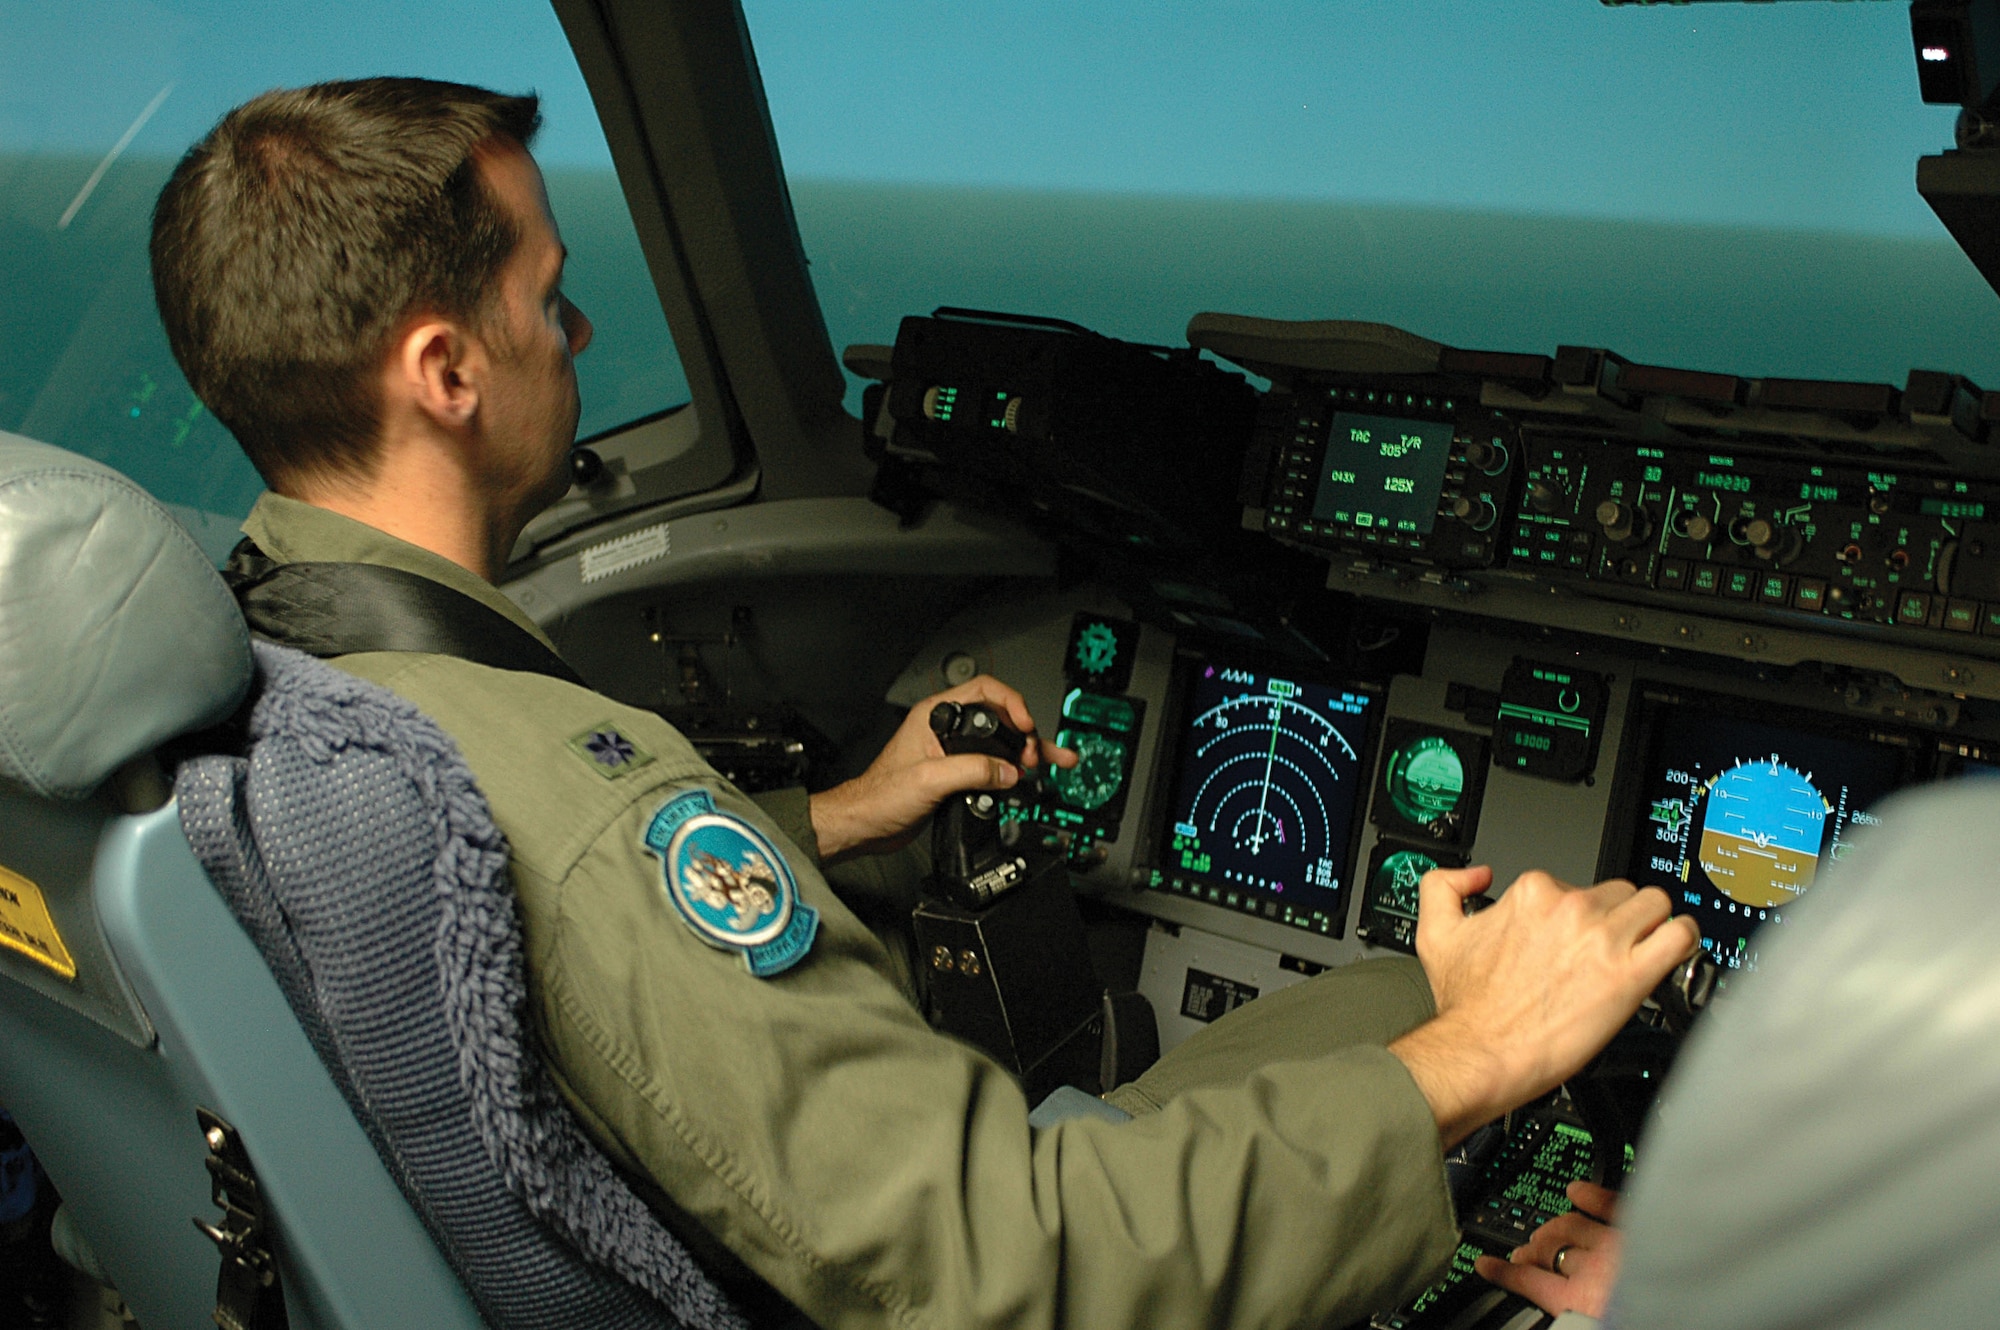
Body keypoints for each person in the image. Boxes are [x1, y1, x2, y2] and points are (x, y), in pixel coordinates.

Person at [148, 77, 1699, 1330]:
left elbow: (555, 921)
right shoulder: (573, 796)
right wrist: (1491, 1050)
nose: (582, 336)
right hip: (970, 1269)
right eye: (549, 301)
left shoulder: (287, 676)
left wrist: (838, 817)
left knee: (1392, 1008)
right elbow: (994, 1265)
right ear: (444, 370)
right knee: (1448, 1031)